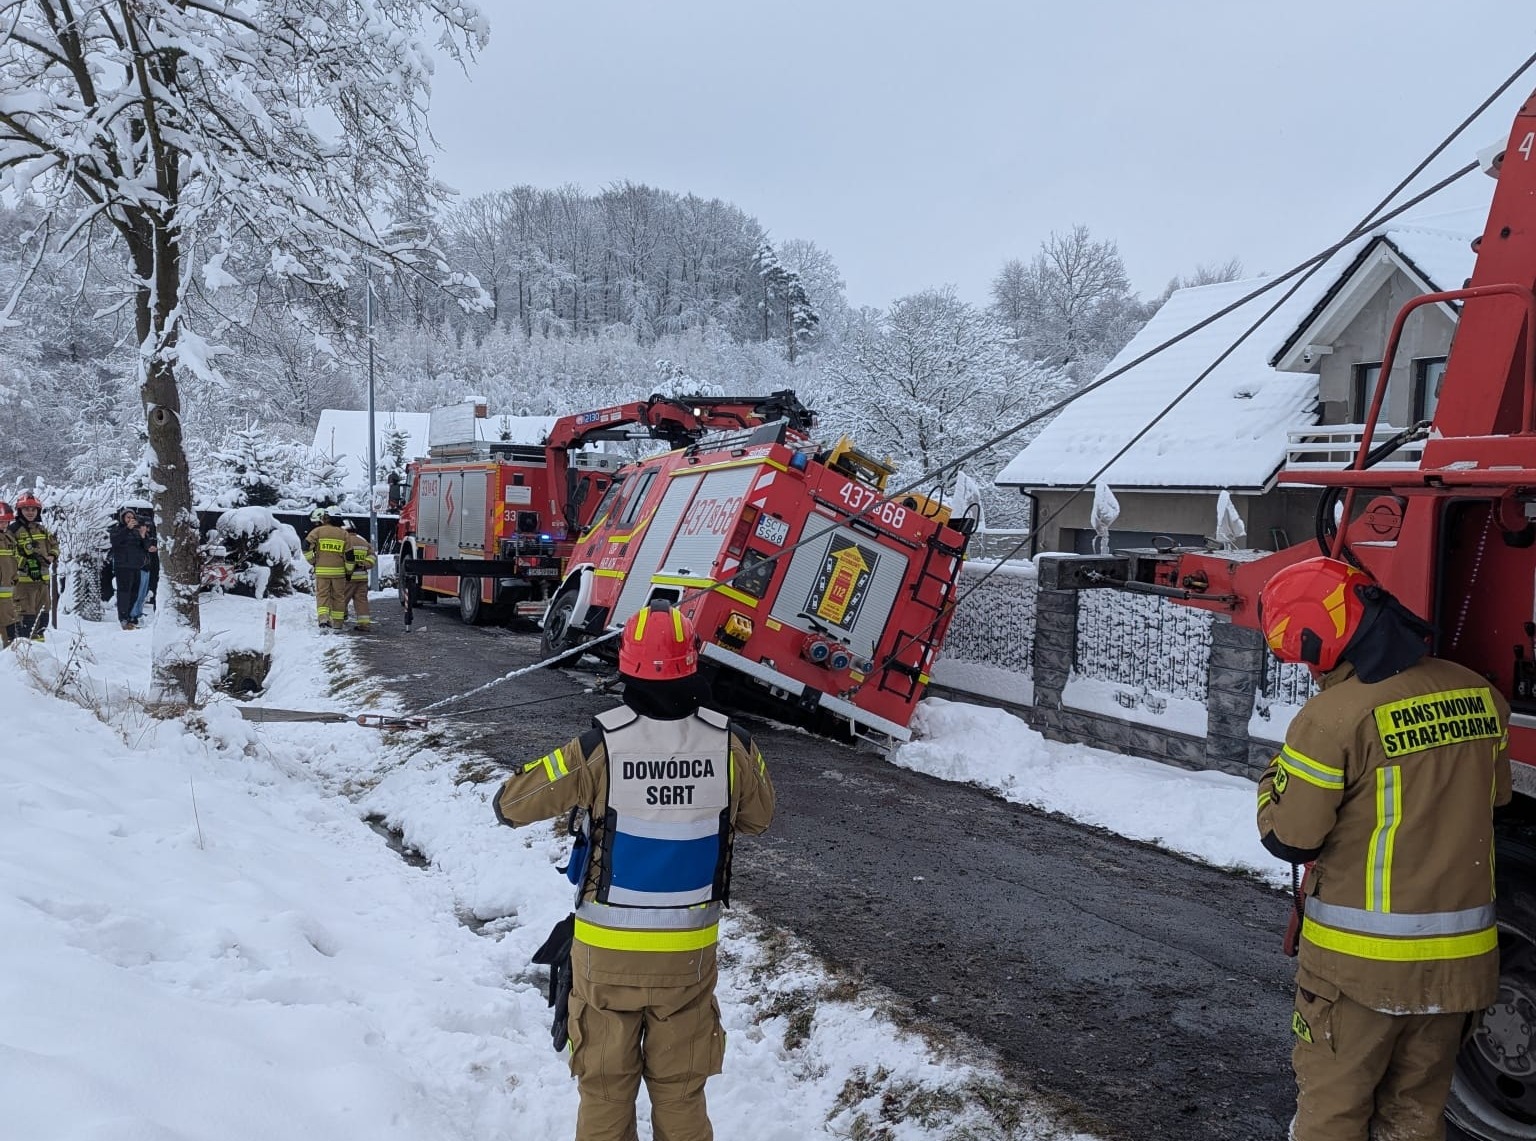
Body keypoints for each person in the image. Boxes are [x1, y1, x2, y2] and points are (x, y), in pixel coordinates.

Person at [492, 599, 775, 1141]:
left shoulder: (600, 745)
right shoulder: (732, 743)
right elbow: (759, 818)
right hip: (687, 966)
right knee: (681, 1094)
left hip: (605, 961)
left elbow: (511, 804)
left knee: (603, 1091)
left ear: (627, 666)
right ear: (694, 664)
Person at [1255, 556, 1511, 1141]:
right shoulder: (1479, 693)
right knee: (1416, 1117)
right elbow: (1494, 800)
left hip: (1358, 973)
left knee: (1333, 1115)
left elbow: (1290, 838)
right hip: (1460, 967)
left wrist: (1273, 779)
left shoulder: (1331, 720)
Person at [9, 491, 58, 642]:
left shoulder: (42, 529)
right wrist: (25, 564)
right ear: (19, 511)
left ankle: (40, 655)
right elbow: (8, 553)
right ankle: (23, 657)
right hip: (23, 585)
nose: (30, 512)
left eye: (33, 509)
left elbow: (55, 545)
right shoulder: (13, 530)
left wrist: (52, 556)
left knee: (42, 620)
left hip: (43, 583)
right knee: (25, 621)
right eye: (26, 509)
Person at [304, 507, 351, 631]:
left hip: (322, 571)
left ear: (326, 517)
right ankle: (338, 623)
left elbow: (306, 546)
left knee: (322, 596)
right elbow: (350, 556)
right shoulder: (344, 534)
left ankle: (324, 619)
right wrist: (349, 572)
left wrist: (312, 561)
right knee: (339, 597)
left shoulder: (318, 531)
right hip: (339, 573)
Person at [108, 508, 152, 630]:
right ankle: (123, 618)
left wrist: (143, 536)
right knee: (124, 593)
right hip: (122, 567)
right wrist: (127, 529)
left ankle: (130, 617)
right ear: (123, 518)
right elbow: (115, 541)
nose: (130, 520)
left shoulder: (137, 531)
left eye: (132, 517)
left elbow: (147, 547)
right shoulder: (118, 529)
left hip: (136, 566)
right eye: (128, 517)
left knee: (135, 593)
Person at [341, 521, 377, 632]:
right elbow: (372, 557)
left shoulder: (344, 542)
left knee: (341, 600)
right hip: (362, 577)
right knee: (361, 601)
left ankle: (337, 622)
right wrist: (364, 564)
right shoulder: (363, 542)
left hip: (348, 577)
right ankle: (364, 624)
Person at [0, 501, 17, 646]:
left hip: (7, 589)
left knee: (8, 620)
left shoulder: (9, 539)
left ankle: (10, 653)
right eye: (1, 522)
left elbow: (13, 560)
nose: (4, 525)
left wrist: (15, 577)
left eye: (6, 522)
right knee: (8, 619)